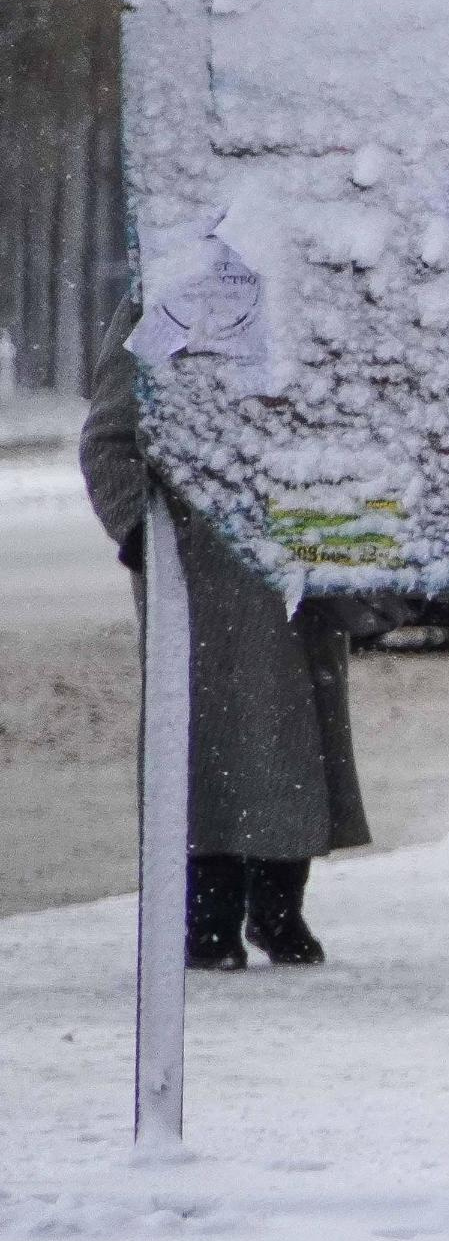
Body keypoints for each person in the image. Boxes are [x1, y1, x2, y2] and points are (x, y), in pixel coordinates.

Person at [80, 295, 369, 970]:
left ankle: (277, 905)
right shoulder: (168, 295)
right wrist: (143, 539)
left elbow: (344, 417)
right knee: (208, 742)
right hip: (199, 566)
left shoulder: (302, 287)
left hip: (290, 551)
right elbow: (110, 440)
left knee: (291, 737)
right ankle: (211, 914)